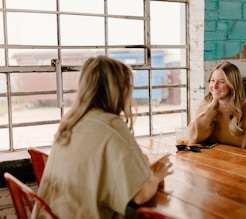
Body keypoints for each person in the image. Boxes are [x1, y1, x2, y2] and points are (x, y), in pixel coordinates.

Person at [31, 55, 173, 219]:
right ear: (120, 89)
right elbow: (140, 195)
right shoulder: (112, 124)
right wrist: (156, 176)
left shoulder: (72, 121)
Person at [188, 61, 246, 153]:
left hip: (240, 164)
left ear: (232, 86)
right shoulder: (206, 104)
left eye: (221, 82)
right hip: (212, 161)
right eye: (212, 80)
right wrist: (211, 108)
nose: (214, 86)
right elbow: (192, 138)